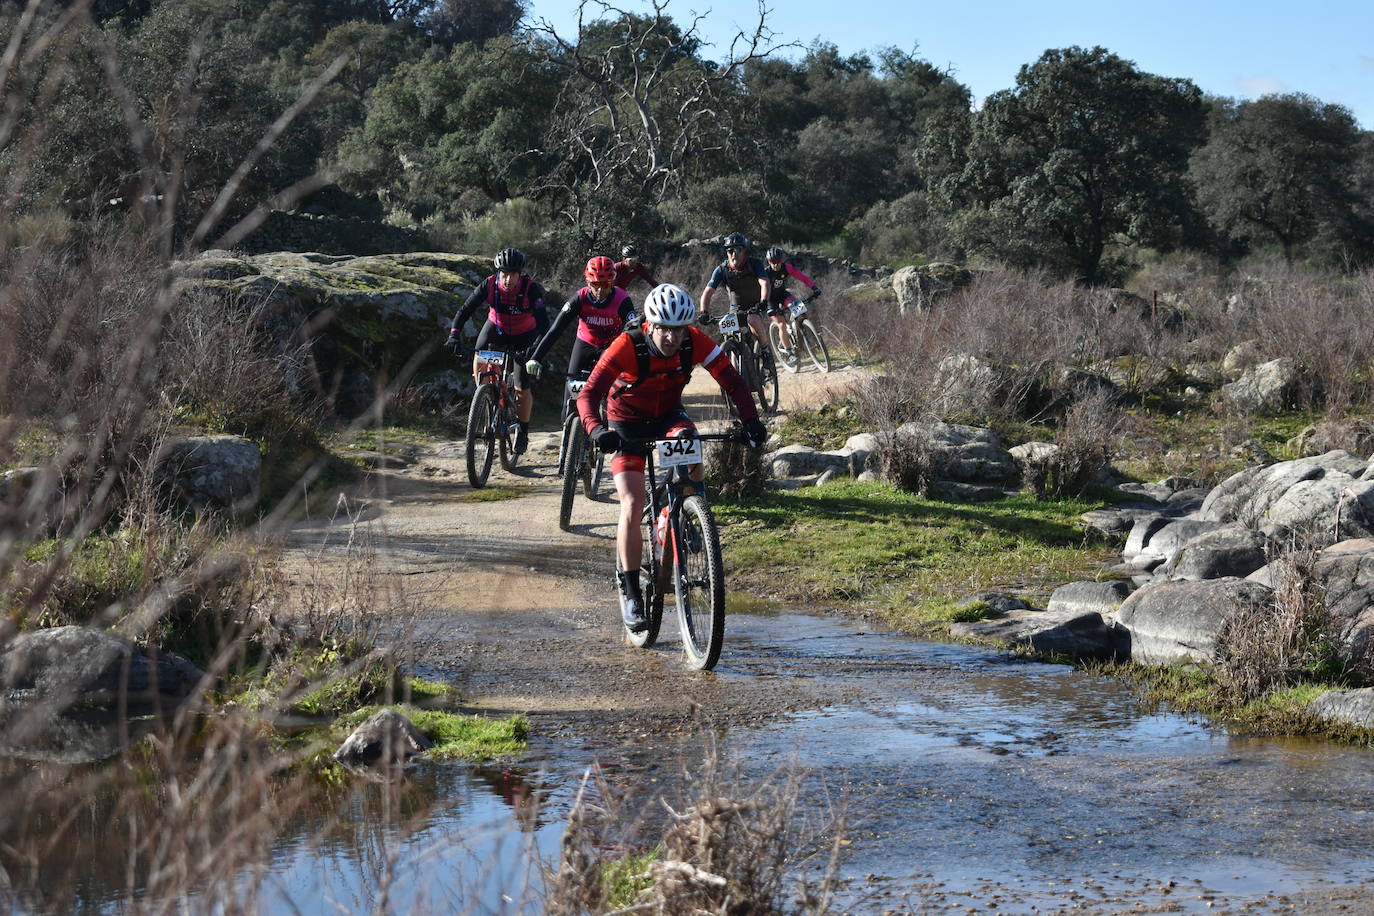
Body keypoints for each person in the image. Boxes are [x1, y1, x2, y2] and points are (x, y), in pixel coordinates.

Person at [576, 283, 767, 631]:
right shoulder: (627, 345)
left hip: (668, 416)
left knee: (690, 443)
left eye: (678, 329)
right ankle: (632, 590)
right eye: (664, 328)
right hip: (626, 423)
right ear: (650, 324)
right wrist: (596, 431)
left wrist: (751, 421)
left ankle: (691, 512)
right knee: (632, 504)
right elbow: (589, 394)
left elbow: (734, 382)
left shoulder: (695, 341)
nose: (671, 337)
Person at [445, 247, 548, 455]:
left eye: (512, 274)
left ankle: (523, 432)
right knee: (479, 354)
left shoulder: (531, 290)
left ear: (520, 274)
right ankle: (484, 399)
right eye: (504, 274)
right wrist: (454, 334)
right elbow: (465, 310)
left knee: (521, 386)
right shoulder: (490, 284)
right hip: (496, 329)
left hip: (524, 336)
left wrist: (533, 351)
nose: (508, 279)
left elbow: (544, 326)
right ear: (498, 272)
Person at [524, 255, 637, 382]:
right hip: (585, 343)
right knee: (570, 390)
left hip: (611, 346)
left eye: (605, 284)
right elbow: (556, 330)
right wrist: (536, 358)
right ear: (588, 282)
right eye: (595, 284)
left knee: (616, 390)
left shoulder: (622, 299)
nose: (600, 290)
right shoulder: (580, 298)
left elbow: (634, 331)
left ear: (612, 282)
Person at [698, 232, 771, 351]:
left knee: (753, 319)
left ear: (744, 251)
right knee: (727, 331)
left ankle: (765, 350)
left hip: (756, 305)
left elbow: (764, 283)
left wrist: (763, 301)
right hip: (736, 309)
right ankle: (734, 359)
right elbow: (708, 292)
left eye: (737, 250)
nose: (733, 254)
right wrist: (703, 312)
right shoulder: (722, 269)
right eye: (730, 251)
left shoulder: (754, 264)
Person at [763, 246, 822, 364]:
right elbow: (759, 289)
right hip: (770, 300)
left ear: (782, 261)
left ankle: (808, 334)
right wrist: (763, 305)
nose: (775, 265)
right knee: (782, 324)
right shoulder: (766, 273)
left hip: (782, 295)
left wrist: (814, 288)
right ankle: (789, 352)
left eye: (778, 262)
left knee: (800, 311)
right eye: (772, 262)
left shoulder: (787, 268)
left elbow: (803, 278)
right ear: (769, 262)